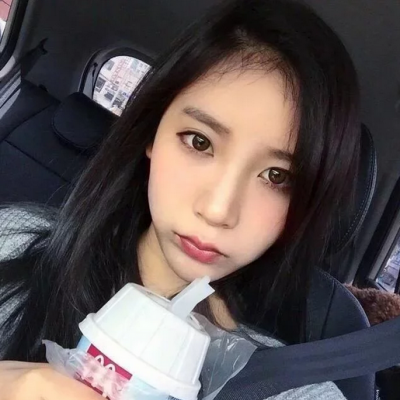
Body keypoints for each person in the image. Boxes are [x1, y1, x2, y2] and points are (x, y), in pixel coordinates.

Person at [0, 0, 361, 398]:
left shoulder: (294, 389)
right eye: (199, 142)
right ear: (152, 133)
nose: (218, 210)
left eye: (277, 176)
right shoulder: (11, 243)